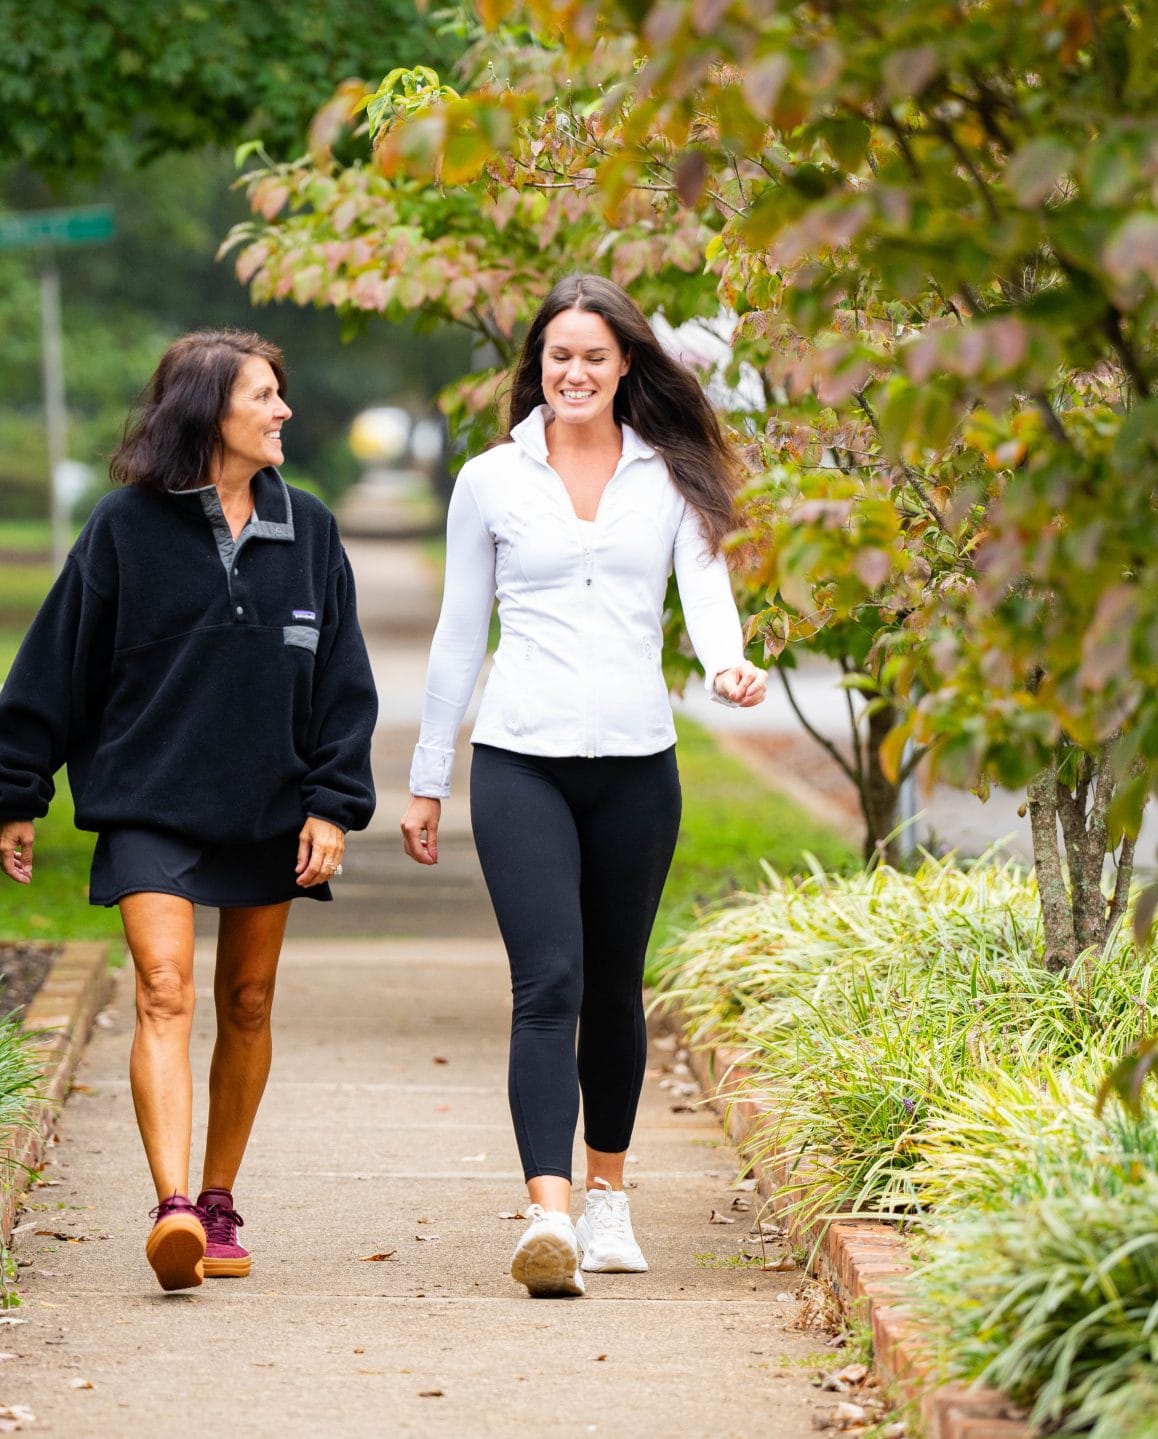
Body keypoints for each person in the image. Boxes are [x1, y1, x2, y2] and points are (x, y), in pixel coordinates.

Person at [0, 329, 378, 1292]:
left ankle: (217, 1197)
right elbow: (57, 662)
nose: (283, 410)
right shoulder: (124, 527)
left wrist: (332, 804)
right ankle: (170, 1211)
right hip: (149, 799)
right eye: (264, 397)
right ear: (210, 412)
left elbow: (342, 684)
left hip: (269, 808)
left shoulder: (311, 530)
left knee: (247, 999)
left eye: (281, 395)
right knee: (164, 987)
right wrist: (19, 789)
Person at [400, 275, 768, 1298]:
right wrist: (428, 779)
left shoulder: (670, 476)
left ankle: (608, 1194)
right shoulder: (489, 480)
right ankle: (549, 1211)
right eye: (559, 355)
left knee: (613, 986)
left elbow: (705, 585)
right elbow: (456, 633)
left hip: (637, 767)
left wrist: (730, 662)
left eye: (594, 357)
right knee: (546, 983)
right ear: (537, 365)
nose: (574, 372)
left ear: (625, 368)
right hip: (520, 759)